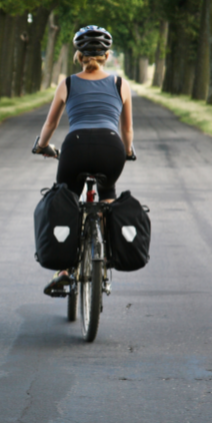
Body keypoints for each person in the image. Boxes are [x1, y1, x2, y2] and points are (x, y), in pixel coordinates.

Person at [32, 25, 134, 295]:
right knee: (108, 198)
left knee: (66, 199)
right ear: (107, 56)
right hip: (111, 148)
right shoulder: (120, 84)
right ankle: (107, 257)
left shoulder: (67, 83)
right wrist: (127, 150)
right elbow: (127, 130)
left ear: (78, 55)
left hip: (74, 148)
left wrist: (42, 146)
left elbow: (51, 123)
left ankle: (65, 270)